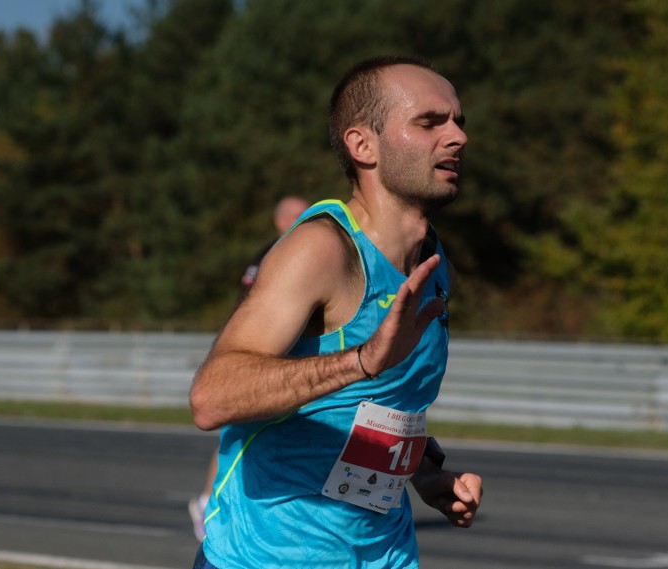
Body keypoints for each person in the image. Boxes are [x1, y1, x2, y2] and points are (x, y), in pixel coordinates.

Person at [189, 55, 483, 568]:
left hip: (382, 553)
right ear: (362, 145)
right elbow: (212, 398)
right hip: (268, 557)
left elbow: (379, 406)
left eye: (458, 121)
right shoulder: (322, 250)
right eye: (430, 122)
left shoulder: (435, 269)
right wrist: (361, 359)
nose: (457, 137)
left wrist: (423, 474)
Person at [188, 195, 310, 541]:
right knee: (238, 431)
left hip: (284, 355)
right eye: (297, 216)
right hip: (263, 355)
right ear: (280, 222)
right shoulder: (273, 256)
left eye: (307, 214)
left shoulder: (306, 252)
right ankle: (208, 501)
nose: (305, 220)